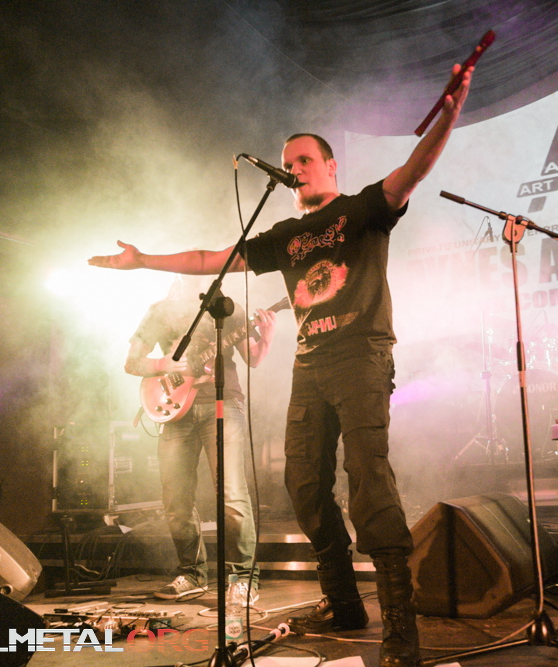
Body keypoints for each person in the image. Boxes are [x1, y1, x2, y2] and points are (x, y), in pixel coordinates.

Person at [90, 63, 473, 667]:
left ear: (331, 166)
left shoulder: (361, 210)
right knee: (304, 487)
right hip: (309, 365)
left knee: (369, 481)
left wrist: (448, 117)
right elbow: (212, 257)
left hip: (362, 356)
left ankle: (401, 628)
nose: (294, 167)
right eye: (288, 161)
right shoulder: (285, 233)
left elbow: (413, 171)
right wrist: (144, 261)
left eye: (304, 159)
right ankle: (343, 604)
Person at [125, 274, 276, 601]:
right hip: (175, 409)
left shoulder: (227, 307)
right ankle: (192, 573)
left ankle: (243, 579)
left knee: (231, 494)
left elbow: (253, 359)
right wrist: (167, 363)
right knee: (175, 500)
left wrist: (266, 337)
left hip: (223, 404)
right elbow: (131, 363)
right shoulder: (159, 311)